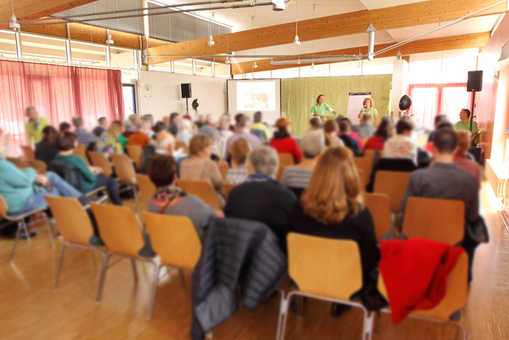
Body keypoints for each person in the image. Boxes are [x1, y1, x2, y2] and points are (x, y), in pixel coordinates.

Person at [289, 146, 379, 304]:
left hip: (304, 275)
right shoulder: (360, 214)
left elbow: (289, 246)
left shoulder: (299, 208)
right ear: (351, 174)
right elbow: (371, 259)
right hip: (350, 282)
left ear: (317, 173)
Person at [401, 128, 482, 280]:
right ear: (456, 148)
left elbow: (405, 209)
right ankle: (463, 278)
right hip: (455, 241)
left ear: (434, 148)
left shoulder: (417, 177)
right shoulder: (469, 180)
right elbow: (473, 216)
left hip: (420, 237)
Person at [0, 128, 82, 225]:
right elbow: (25, 181)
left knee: (51, 177)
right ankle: (76, 211)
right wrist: (30, 169)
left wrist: (34, 177)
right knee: (57, 189)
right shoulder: (3, 165)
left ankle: (76, 203)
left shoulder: (3, 164)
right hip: (21, 204)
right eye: (1, 139)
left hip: (9, 203)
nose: (3, 141)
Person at [224, 147, 297, 252]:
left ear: (248, 169)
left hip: (239, 257)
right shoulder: (287, 197)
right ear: (276, 169)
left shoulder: (234, 194)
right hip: (275, 260)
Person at [146, 155, 221, 239]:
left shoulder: (150, 202)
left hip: (165, 248)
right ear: (175, 177)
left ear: (151, 178)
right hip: (194, 249)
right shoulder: (192, 202)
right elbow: (212, 216)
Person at [55, 132, 122, 205]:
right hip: (83, 186)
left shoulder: (57, 158)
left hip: (69, 187)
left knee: (101, 175)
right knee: (110, 180)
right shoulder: (77, 159)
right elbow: (91, 178)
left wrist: (89, 169)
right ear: (72, 143)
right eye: (76, 140)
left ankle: (103, 200)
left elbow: (71, 170)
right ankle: (119, 205)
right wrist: (94, 172)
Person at [179, 134, 225, 208]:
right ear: (199, 150)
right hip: (209, 204)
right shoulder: (209, 164)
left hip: (188, 203)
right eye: (209, 149)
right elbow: (220, 187)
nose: (211, 152)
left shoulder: (183, 163)